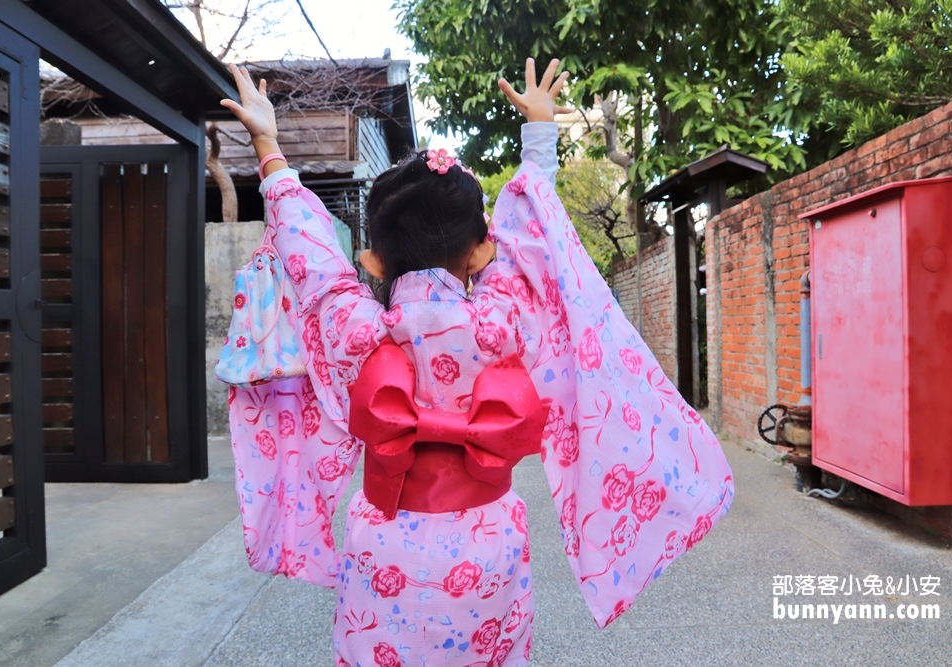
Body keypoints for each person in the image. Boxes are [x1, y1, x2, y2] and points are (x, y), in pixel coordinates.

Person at [219, 58, 734, 667]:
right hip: (485, 544)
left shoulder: (355, 328)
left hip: (385, 546)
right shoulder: (500, 319)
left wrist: (269, 146)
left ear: (373, 262)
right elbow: (531, 236)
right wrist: (538, 133)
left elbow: (309, 253)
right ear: (481, 251)